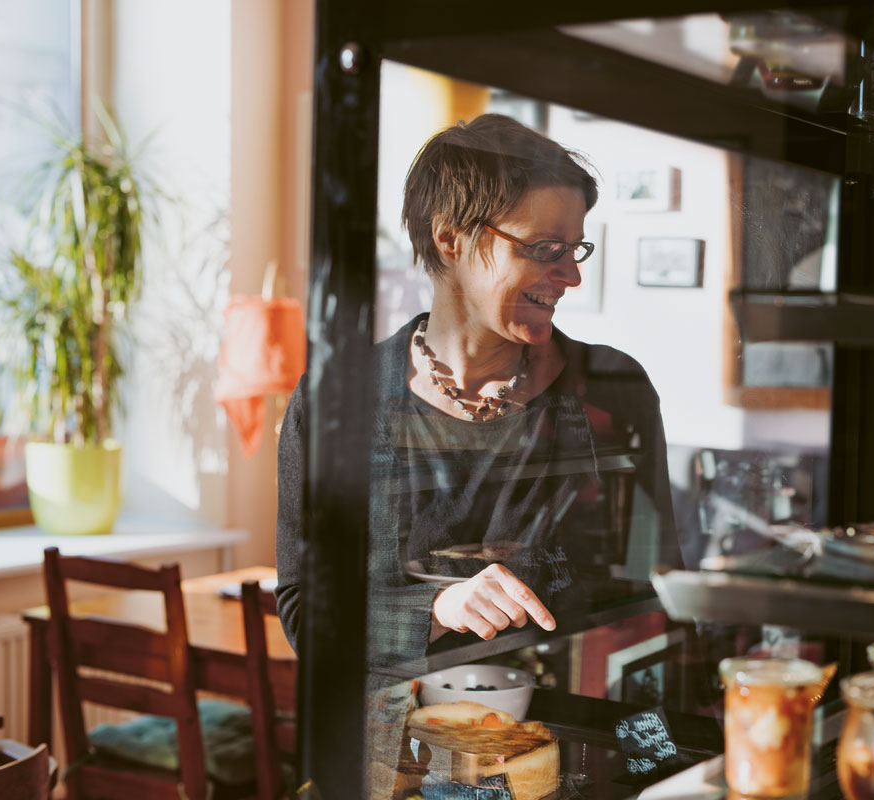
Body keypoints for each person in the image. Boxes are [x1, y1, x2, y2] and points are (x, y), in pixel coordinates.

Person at [275, 113, 680, 671]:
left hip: (575, 738)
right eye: (544, 248)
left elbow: (654, 591)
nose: (572, 276)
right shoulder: (336, 404)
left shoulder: (615, 390)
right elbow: (308, 617)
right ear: (450, 238)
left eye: (575, 250)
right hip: (396, 751)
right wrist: (441, 607)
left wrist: (650, 753)